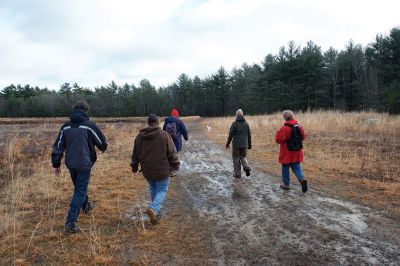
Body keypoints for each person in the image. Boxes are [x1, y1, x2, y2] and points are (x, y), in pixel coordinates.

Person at [51, 101, 108, 234]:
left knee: (79, 188)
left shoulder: (65, 127)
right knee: (80, 191)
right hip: (84, 164)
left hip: (71, 164)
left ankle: (86, 206)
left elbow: (58, 147)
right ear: (85, 110)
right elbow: (102, 144)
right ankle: (70, 223)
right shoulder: (89, 126)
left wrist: (56, 164)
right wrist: (102, 147)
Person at [131, 114, 180, 225]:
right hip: (162, 170)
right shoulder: (164, 135)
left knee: (153, 187)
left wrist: (134, 167)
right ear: (158, 123)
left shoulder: (139, 137)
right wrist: (175, 165)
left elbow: (135, 154)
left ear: (148, 123)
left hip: (147, 170)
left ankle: (156, 213)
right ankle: (154, 209)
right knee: (162, 190)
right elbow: (172, 152)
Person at [275, 110, 308, 193]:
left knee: (285, 167)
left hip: (286, 152)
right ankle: (302, 179)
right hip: (297, 151)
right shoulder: (299, 127)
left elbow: (278, 140)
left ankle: (286, 184)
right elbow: (303, 137)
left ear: (285, 117)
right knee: (296, 166)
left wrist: (277, 133)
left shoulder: (284, 128)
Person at [226, 109, 252, 178]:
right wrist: (249, 145)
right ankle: (246, 167)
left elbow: (230, 135)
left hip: (236, 145)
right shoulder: (246, 124)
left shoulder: (234, 124)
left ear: (236, 116)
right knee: (243, 157)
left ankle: (237, 174)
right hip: (245, 145)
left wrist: (227, 144)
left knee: (236, 158)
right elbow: (249, 135)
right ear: (242, 115)